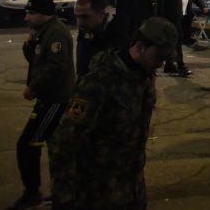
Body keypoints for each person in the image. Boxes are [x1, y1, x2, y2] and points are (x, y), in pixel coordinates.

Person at [48, 17, 177, 210]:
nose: (161, 63)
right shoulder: (100, 80)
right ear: (140, 47)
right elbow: (64, 140)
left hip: (130, 190)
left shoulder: (143, 76)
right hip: (97, 194)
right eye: (158, 56)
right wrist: (63, 197)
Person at [7, 0, 75, 210]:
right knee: (53, 148)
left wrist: (33, 88)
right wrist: (29, 45)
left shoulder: (56, 34)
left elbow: (55, 67)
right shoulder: (43, 32)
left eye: (31, 13)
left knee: (28, 145)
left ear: (45, 14)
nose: (26, 17)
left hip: (55, 101)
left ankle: (34, 193)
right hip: (47, 99)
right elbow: (37, 60)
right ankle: (58, 194)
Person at [155, 0, 206, 77]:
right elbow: (161, 0)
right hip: (172, 15)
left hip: (185, 14)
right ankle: (181, 66)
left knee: (174, 40)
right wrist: (160, 17)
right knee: (177, 40)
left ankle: (169, 65)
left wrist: (202, 5)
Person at [73, 0, 129, 78]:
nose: (79, 23)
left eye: (85, 17)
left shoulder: (118, 36)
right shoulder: (86, 30)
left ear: (101, 14)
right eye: (77, 17)